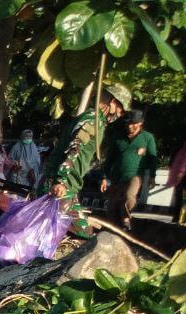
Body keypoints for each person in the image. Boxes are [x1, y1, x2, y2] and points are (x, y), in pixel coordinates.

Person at [43, 82, 131, 234]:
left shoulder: (94, 120)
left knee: (55, 232)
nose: (120, 115)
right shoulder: (92, 121)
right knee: (83, 233)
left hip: (65, 185)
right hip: (62, 187)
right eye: (121, 110)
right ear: (113, 103)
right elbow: (75, 149)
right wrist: (62, 182)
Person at [102, 109, 158, 230]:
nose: (130, 126)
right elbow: (109, 159)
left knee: (129, 195)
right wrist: (104, 177)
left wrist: (152, 176)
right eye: (128, 123)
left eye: (133, 123)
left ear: (140, 123)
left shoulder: (147, 138)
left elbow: (152, 159)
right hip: (117, 175)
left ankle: (126, 218)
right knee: (113, 203)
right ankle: (112, 227)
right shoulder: (119, 138)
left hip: (135, 175)